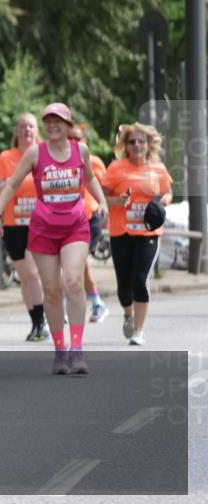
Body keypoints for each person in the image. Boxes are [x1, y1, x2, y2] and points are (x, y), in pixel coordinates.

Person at [0, 103, 109, 376]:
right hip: (43, 229)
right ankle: (60, 350)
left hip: (75, 226)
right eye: (48, 121)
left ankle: (77, 349)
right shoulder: (35, 153)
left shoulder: (81, 150)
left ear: (68, 125)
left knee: (74, 282)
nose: (52, 125)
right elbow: (12, 184)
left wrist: (102, 203)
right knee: (51, 291)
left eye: (58, 121)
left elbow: (89, 179)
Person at [102, 123, 173, 346]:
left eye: (140, 141)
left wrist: (163, 201)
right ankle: (128, 314)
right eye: (131, 142)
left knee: (140, 280)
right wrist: (117, 201)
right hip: (121, 231)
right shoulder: (115, 168)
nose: (136, 145)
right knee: (124, 285)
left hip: (148, 232)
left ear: (148, 144)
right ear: (125, 145)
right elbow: (101, 196)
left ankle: (139, 331)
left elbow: (167, 192)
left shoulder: (158, 169)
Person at [0, 114, 47, 341]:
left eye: (31, 126)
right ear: (16, 131)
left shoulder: (45, 154)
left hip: (40, 224)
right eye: (22, 126)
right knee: (25, 276)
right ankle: (35, 323)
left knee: (33, 274)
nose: (27, 130)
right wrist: (12, 180)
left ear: (37, 130)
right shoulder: (6, 157)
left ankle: (42, 322)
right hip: (14, 225)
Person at [67, 124, 109, 322]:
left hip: (89, 218)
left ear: (85, 141)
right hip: (66, 221)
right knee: (74, 265)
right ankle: (94, 303)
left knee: (78, 263)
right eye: (70, 139)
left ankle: (95, 303)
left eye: (78, 138)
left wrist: (105, 207)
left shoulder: (94, 162)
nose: (74, 143)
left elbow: (104, 190)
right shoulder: (59, 162)